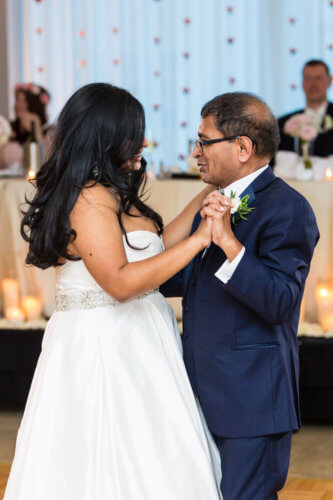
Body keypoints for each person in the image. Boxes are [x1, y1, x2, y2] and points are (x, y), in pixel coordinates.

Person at [4, 83, 222, 500]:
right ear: (104, 134)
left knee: (157, 453)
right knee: (107, 458)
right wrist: (200, 241)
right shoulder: (87, 198)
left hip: (142, 338)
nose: (143, 141)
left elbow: (155, 246)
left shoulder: (112, 189)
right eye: (132, 132)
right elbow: (121, 282)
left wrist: (207, 196)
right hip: (104, 344)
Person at [161, 92, 319, 499]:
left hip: (250, 403)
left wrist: (230, 244)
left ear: (243, 148)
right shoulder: (214, 203)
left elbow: (280, 301)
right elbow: (188, 283)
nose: (196, 152)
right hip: (199, 395)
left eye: (204, 141)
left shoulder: (288, 208)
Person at [278, 59, 333, 156]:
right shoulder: (282, 124)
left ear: (329, 81)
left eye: (318, 78)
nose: (313, 84)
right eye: (307, 78)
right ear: (302, 83)